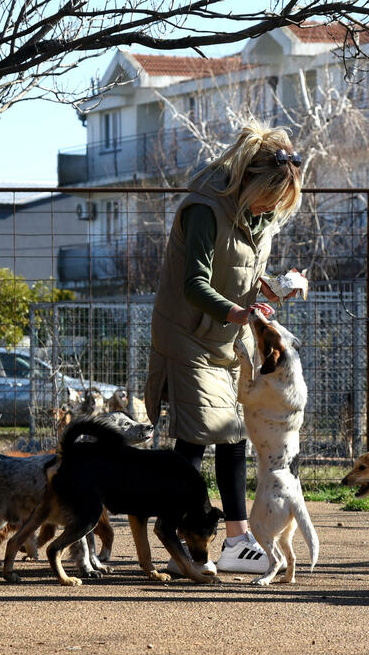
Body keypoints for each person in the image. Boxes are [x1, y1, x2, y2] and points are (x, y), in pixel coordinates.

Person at [144, 121, 303, 575]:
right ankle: (186, 541)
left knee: (231, 435)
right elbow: (195, 284)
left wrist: (272, 292)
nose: (272, 209)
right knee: (197, 436)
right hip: (186, 333)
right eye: (270, 197)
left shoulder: (262, 217)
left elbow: (245, 280)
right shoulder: (204, 208)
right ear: (250, 179)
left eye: (279, 204)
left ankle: (227, 541)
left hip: (225, 337)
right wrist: (237, 313)